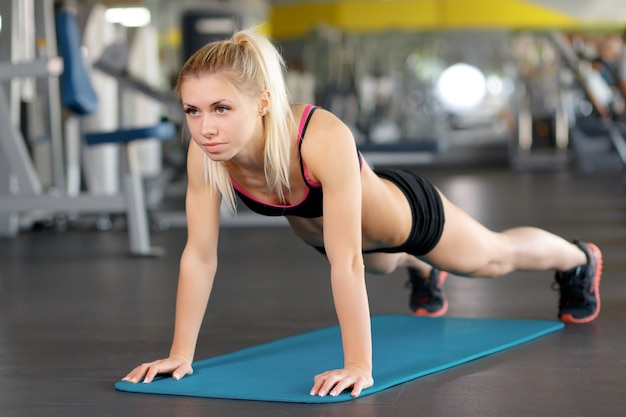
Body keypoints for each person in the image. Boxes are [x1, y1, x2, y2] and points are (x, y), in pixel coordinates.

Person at [122, 28, 603, 399]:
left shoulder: (319, 135)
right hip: (340, 239)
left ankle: (577, 258)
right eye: (193, 110)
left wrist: (357, 364)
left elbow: (345, 260)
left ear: (263, 102)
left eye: (222, 108)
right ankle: (419, 269)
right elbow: (200, 257)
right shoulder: (205, 156)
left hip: (408, 217)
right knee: (383, 263)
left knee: (492, 259)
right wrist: (179, 355)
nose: (205, 127)